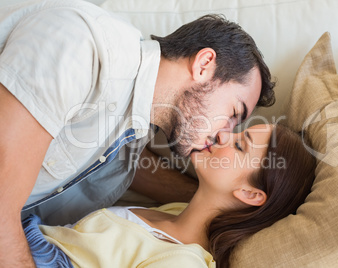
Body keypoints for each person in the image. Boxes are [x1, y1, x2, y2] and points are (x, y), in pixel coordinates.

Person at [0, 0, 276, 266]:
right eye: (232, 114)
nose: (223, 135)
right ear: (204, 65)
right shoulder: (84, 47)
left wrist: (215, 199)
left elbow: (115, 158)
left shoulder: (136, 127)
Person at [22, 124, 316, 268]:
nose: (224, 135)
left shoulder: (182, 263)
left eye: (240, 146)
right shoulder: (177, 210)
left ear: (250, 193)